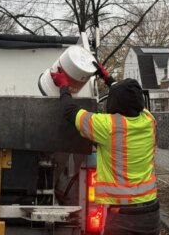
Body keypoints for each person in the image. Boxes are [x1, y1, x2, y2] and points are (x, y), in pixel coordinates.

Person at [51, 62, 161, 235]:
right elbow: (131, 98)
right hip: (151, 213)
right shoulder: (148, 120)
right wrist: (107, 78)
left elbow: (69, 111)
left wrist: (63, 85)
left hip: (124, 217)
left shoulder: (108, 127)